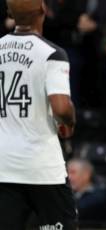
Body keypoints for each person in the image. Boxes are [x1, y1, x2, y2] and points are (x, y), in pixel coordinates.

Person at [0, 0, 76, 229]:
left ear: (10, 13)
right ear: (43, 10)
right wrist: (70, 122)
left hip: (4, 165)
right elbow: (61, 108)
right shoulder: (52, 54)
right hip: (42, 167)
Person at [67, 158, 106, 224]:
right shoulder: (68, 193)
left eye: (73, 172)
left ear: (86, 174)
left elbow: (78, 211)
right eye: (68, 172)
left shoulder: (99, 196)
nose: (68, 177)